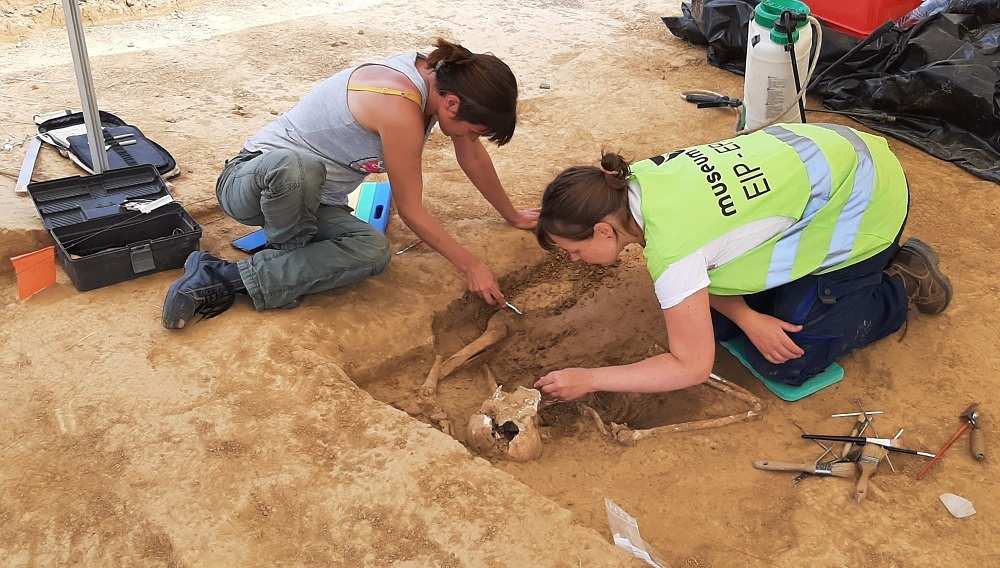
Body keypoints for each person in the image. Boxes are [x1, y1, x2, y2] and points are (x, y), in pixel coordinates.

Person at [532, 123, 952, 401]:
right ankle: (788, 301)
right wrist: (749, 318)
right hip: (827, 153)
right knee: (718, 326)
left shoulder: (672, 248)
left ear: (604, 231)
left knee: (791, 359)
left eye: (572, 249)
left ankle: (902, 281)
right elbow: (704, 260)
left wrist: (590, 379)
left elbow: (693, 367)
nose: (574, 259)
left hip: (867, 193)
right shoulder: (635, 181)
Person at [161, 39, 537, 329]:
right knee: (298, 167)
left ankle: (223, 276)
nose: (472, 137)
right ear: (453, 105)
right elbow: (411, 209)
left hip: (316, 203)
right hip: (253, 182)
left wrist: (512, 214)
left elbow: (470, 154)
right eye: (475, 129)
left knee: (372, 252)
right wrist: (472, 265)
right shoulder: (398, 104)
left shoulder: (449, 80)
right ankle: (285, 260)